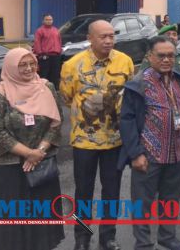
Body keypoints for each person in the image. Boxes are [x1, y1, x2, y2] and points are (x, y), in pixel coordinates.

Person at [60, 20, 134, 250]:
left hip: (115, 140)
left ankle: (108, 237)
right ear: (90, 38)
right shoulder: (73, 65)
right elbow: (67, 97)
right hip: (84, 141)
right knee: (83, 192)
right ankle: (82, 238)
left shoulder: (126, 61)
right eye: (103, 36)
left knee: (111, 191)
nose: (109, 40)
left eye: (112, 36)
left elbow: (131, 96)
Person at [0, 48, 64, 250]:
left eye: (32, 64)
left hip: (41, 162)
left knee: (39, 215)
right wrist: (28, 153)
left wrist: (39, 151)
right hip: (8, 167)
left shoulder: (46, 87)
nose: (29, 69)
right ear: (11, 67)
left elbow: (56, 123)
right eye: (22, 65)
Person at [119, 37, 180, 250]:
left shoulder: (178, 79)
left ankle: (167, 238)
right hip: (149, 155)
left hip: (177, 153)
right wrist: (135, 154)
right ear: (150, 57)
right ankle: (143, 244)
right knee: (143, 203)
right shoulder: (138, 84)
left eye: (171, 55)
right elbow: (127, 120)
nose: (167, 60)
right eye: (161, 56)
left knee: (170, 200)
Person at [33, 14, 63, 89]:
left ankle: (55, 92)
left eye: (50, 20)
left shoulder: (56, 30)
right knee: (44, 75)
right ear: (43, 21)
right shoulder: (40, 31)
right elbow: (37, 43)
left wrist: (59, 50)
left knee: (55, 75)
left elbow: (59, 41)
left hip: (56, 56)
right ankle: (43, 90)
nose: (49, 21)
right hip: (45, 56)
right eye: (47, 20)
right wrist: (40, 54)